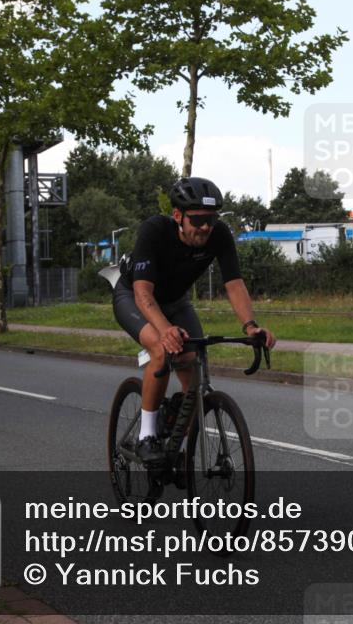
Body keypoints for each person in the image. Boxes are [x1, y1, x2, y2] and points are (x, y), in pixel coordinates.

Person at [112, 177, 276, 466]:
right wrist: (164, 330)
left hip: (176, 303)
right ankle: (146, 437)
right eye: (198, 219)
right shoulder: (154, 231)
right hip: (134, 297)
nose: (205, 227)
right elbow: (143, 293)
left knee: (193, 373)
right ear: (178, 216)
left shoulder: (219, 234)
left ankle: (173, 434)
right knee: (162, 350)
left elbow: (234, 284)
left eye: (211, 219)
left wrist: (251, 326)